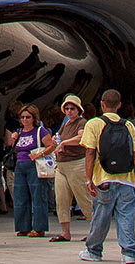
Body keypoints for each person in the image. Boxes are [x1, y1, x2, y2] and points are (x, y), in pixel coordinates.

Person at [79, 88, 135, 264]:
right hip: (127, 179)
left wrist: (89, 179)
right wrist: (128, 170)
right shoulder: (128, 125)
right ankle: (129, 253)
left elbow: (90, 153)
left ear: (102, 104)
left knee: (101, 216)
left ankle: (94, 251)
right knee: (126, 216)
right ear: (119, 105)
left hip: (103, 179)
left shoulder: (93, 124)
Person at [49, 94, 93, 243]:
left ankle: (95, 229)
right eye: (66, 108)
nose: (69, 111)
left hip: (76, 163)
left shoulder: (82, 122)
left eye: (72, 108)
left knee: (83, 198)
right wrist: (57, 140)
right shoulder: (66, 123)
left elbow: (81, 138)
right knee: (61, 199)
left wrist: (64, 143)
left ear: (78, 109)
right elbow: (59, 137)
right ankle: (65, 232)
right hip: (61, 165)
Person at [12, 104, 55, 236]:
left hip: (34, 164)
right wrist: (13, 140)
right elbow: (15, 149)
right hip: (20, 164)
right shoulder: (19, 132)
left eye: (28, 117)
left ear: (33, 118)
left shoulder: (40, 131)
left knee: (38, 196)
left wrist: (39, 154)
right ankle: (23, 226)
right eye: (22, 117)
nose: (24, 120)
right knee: (20, 196)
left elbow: (51, 145)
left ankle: (39, 227)